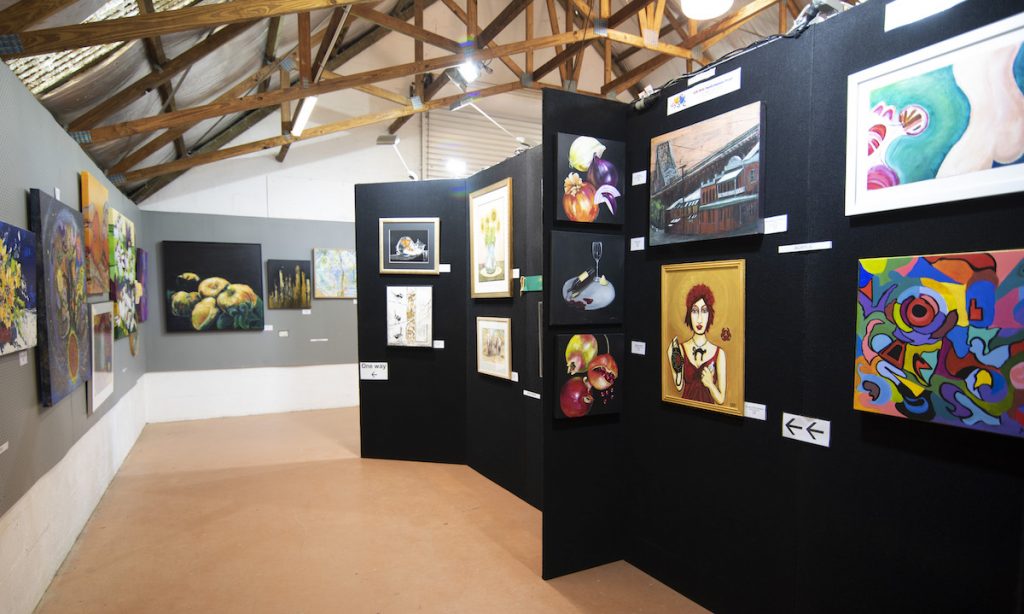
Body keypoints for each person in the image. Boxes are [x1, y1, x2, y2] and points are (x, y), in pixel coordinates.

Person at [667, 284, 727, 405]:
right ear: (689, 314)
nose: (699, 319)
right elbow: (679, 386)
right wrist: (673, 357)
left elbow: (721, 399)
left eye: (704, 311)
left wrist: (710, 384)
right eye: (694, 311)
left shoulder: (719, 353)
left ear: (710, 314)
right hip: (685, 409)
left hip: (708, 412)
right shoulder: (681, 349)